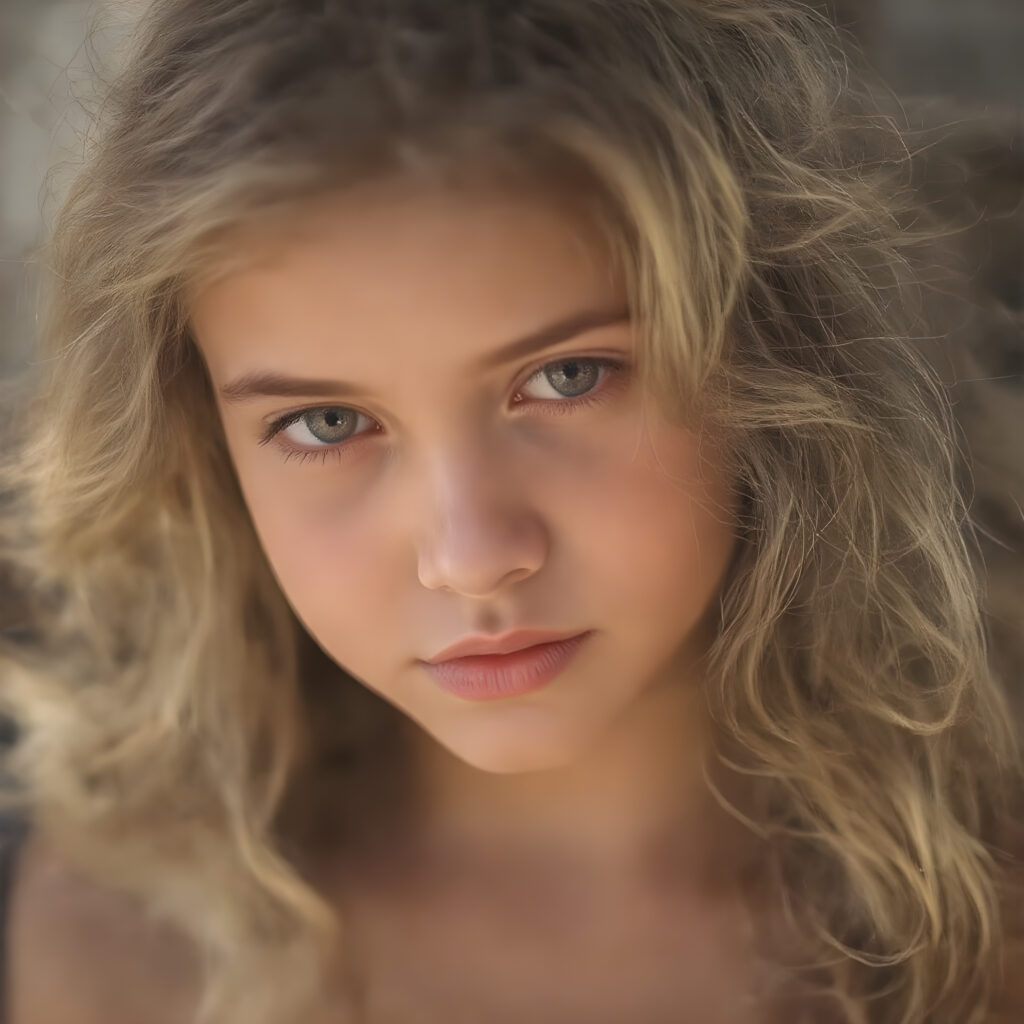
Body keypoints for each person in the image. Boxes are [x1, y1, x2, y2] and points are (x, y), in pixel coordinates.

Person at [0, 1, 1021, 1021]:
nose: (470, 556)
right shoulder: (135, 940)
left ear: (771, 351)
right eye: (323, 422)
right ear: (199, 446)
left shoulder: (994, 911)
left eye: (568, 377)